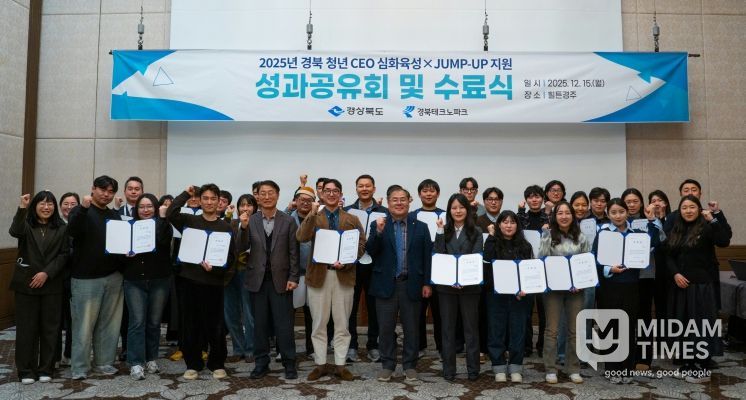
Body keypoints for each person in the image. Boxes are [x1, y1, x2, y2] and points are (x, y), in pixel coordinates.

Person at [167, 184, 238, 380]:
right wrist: (186, 194)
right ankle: (193, 364)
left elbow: (230, 257)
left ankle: (217, 363)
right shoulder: (189, 220)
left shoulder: (225, 227)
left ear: (219, 201)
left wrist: (215, 269)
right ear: (199, 200)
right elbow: (171, 213)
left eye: (213, 198)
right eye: (205, 198)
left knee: (215, 325)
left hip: (214, 283)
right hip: (189, 281)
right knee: (191, 324)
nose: (209, 202)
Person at [297, 178, 365, 381]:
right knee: (319, 322)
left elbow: (361, 245)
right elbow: (301, 237)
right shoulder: (314, 216)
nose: (331, 194)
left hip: (344, 275)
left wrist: (347, 261)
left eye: (336, 190)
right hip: (319, 276)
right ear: (321, 194)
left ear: (341, 194)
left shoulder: (352, 219)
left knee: (342, 323)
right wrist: (312, 213)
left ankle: (340, 364)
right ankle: (320, 364)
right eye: (327, 190)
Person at [366, 186, 433, 382]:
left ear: (409, 201)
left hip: (411, 284)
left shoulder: (420, 227)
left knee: (412, 328)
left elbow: (427, 258)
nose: (399, 203)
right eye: (395, 199)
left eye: (403, 199)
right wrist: (378, 233)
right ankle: (388, 365)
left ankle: (410, 365)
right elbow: (370, 251)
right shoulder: (378, 224)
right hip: (385, 284)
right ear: (388, 203)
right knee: (385, 328)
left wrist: (427, 283)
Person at [593, 198, 659, 383]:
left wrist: (652, 220)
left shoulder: (636, 234)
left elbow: (654, 243)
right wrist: (609, 269)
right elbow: (595, 259)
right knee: (610, 327)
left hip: (631, 287)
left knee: (629, 328)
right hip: (609, 287)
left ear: (627, 213)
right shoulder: (603, 234)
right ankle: (613, 370)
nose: (618, 216)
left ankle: (627, 369)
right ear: (608, 214)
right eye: (613, 212)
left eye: (621, 211)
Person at [666, 195, 730, 383]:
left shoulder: (707, 227)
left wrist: (714, 219)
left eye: (692, 207)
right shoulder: (676, 229)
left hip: (701, 287)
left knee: (701, 327)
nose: (688, 211)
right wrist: (675, 274)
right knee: (684, 326)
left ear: (699, 209)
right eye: (684, 207)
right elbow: (668, 256)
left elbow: (724, 241)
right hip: (681, 286)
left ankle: (702, 366)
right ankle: (688, 364)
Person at [67, 175, 123, 380]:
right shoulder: (80, 210)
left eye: (111, 192)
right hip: (85, 279)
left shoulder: (114, 215)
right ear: (93, 189)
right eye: (103, 190)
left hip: (113, 276)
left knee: (109, 324)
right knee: (83, 326)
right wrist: (83, 208)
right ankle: (80, 367)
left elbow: (120, 242)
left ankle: (104, 363)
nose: (106, 195)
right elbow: (72, 231)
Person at [9, 191, 68, 384]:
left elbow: (64, 254)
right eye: (42, 203)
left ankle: (46, 368)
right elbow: (14, 231)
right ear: (35, 206)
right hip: (27, 284)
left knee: (50, 329)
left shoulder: (62, 228)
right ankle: (26, 370)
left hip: (52, 284)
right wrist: (22, 208)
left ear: (54, 207)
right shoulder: (26, 224)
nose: (46, 207)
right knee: (27, 329)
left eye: (50, 204)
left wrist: (46, 273)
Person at [244, 181, 300, 380]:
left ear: (277, 195)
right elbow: (240, 247)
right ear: (257, 196)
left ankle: (289, 362)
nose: (267, 197)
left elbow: (294, 252)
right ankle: (261, 362)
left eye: (271, 193)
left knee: (284, 325)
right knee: (259, 325)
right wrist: (242, 228)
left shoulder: (288, 221)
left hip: (282, 280)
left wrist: (294, 277)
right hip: (257, 280)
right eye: (263, 193)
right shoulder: (250, 220)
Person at [539, 201, 590, 385]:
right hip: (553, 289)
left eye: (567, 213)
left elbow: (587, 262)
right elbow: (542, 257)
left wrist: (580, 283)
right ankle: (550, 369)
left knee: (574, 330)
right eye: (560, 213)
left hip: (576, 290)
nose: (564, 216)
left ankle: (573, 368)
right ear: (555, 216)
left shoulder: (581, 237)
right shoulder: (549, 234)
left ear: (572, 216)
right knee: (551, 330)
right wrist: (546, 235)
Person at [433, 193, 484, 381]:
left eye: (461, 207)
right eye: (454, 208)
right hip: (446, 288)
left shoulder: (476, 231)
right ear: (449, 211)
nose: (458, 211)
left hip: (469, 287)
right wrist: (439, 231)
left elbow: (476, 257)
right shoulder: (443, 230)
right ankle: (448, 370)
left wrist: (463, 278)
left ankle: (473, 370)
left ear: (467, 210)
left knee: (471, 329)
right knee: (447, 329)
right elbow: (438, 255)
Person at [123, 193, 173, 380]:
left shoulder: (164, 224)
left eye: (149, 206)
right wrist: (124, 254)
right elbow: (116, 252)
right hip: (134, 280)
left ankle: (151, 358)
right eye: (142, 207)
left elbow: (163, 240)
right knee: (137, 322)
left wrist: (162, 218)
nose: (146, 210)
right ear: (136, 209)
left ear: (156, 208)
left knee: (154, 322)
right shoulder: (128, 227)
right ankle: (136, 362)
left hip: (159, 279)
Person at [483, 210, 533, 383]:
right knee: (496, 331)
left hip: (519, 296)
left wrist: (524, 288)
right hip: (495, 295)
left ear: (517, 225)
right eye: (505, 222)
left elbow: (529, 272)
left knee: (518, 331)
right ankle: (498, 366)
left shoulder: (525, 246)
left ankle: (515, 366)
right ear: (499, 225)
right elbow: (487, 264)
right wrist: (491, 236)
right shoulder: (492, 243)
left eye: (512, 222)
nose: (509, 225)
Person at [343, 174, 386, 362]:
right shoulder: (347, 212)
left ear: (374, 189)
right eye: (361, 186)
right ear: (356, 189)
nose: (364, 189)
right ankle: (352, 345)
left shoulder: (384, 212)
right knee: (350, 307)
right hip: (351, 266)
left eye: (368, 186)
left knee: (373, 307)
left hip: (375, 266)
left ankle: (373, 345)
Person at [410, 179, 445, 355]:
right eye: (425, 191)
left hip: (441, 270)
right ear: (419, 194)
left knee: (440, 311)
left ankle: (442, 346)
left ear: (438, 194)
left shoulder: (445, 215)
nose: (428, 194)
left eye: (432, 191)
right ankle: (419, 345)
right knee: (418, 311)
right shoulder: (412, 215)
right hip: (418, 269)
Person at [516, 184, 549, 358]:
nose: (534, 200)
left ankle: (543, 345)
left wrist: (549, 213)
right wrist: (520, 212)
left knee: (545, 311)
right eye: (530, 197)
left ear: (542, 198)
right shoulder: (522, 217)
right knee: (526, 310)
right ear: (526, 200)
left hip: (546, 268)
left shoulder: (549, 217)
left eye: (537, 196)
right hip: (526, 267)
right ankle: (526, 345)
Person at [224, 194, 257, 363]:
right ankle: (238, 348)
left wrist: (245, 227)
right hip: (229, 273)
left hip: (248, 273)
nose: (245, 208)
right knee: (231, 313)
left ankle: (251, 349)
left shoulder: (258, 224)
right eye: (242, 205)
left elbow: (244, 245)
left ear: (255, 208)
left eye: (249, 205)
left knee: (249, 314)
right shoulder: (232, 223)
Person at [114, 176, 144, 362]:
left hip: (144, 268)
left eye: (137, 189)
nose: (133, 191)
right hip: (122, 268)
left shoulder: (148, 212)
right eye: (130, 188)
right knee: (126, 313)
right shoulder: (116, 213)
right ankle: (126, 347)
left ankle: (143, 349)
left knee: (141, 314)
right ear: (125, 192)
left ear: (142, 191)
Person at [289, 187, 316, 356]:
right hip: (293, 274)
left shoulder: (318, 218)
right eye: (302, 200)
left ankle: (311, 349)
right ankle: (284, 349)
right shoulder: (287, 219)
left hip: (313, 273)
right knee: (288, 314)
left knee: (311, 314)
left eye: (309, 200)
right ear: (296, 201)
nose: (305, 203)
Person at [55, 192, 78, 367]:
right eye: (65, 203)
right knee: (54, 319)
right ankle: (54, 356)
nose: (69, 207)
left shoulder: (80, 224)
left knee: (73, 320)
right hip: (54, 278)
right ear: (60, 205)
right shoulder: (54, 224)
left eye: (73, 204)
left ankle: (69, 354)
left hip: (75, 279)